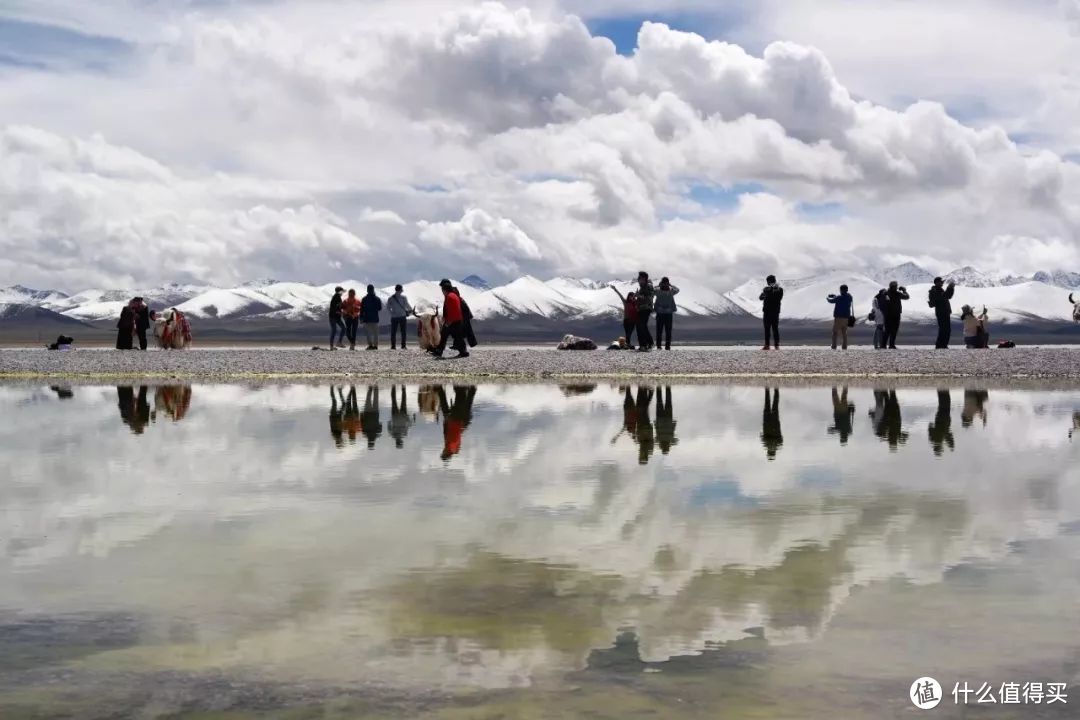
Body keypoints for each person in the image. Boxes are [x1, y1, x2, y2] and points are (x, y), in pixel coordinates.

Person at [437, 385, 477, 460]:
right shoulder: (451, 446)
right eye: (444, 452)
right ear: (446, 453)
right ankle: (440, 389)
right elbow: (454, 434)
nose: (443, 451)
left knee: (463, 400)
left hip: (459, 421)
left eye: (443, 452)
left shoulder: (452, 447)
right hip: (458, 420)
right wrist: (450, 420)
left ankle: (470, 388)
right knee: (461, 400)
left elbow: (450, 433)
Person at [435, 279, 468, 359]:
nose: (442, 292)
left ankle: (439, 351)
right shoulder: (453, 295)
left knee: (444, 335)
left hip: (453, 320)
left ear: (445, 290)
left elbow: (452, 310)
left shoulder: (450, 297)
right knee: (457, 337)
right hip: (456, 320)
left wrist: (449, 321)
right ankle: (463, 352)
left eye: (442, 290)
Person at [928, 277, 955, 349]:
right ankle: (940, 345)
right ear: (936, 282)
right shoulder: (935, 290)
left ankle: (943, 345)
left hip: (944, 312)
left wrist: (950, 288)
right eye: (941, 282)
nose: (942, 283)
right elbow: (945, 296)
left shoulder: (939, 290)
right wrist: (950, 288)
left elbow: (947, 296)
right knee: (944, 329)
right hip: (941, 312)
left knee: (945, 329)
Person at [653, 277, 680, 351]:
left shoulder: (658, 290)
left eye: (666, 283)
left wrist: (658, 286)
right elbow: (677, 290)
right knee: (666, 331)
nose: (665, 284)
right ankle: (666, 346)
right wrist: (671, 285)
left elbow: (652, 290)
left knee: (660, 330)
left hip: (662, 313)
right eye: (665, 283)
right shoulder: (671, 291)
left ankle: (660, 346)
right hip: (667, 313)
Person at [882, 281, 910, 349]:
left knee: (887, 330)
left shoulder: (886, 293)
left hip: (887, 315)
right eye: (896, 286)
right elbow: (907, 297)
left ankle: (883, 345)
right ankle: (891, 345)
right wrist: (904, 290)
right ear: (894, 286)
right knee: (894, 331)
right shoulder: (897, 293)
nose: (896, 287)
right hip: (895, 315)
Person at [826, 284, 854, 350]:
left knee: (835, 332)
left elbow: (831, 301)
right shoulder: (849, 297)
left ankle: (834, 346)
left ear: (841, 290)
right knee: (844, 333)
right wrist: (835, 296)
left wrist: (828, 298)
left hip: (838, 318)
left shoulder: (839, 298)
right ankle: (844, 347)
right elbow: (843, 298)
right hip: (846, 318)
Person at [759, 275, 783, 350]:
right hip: (767, 312)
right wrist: (770, 291)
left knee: (774, 328)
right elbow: (760, 297)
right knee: (767, 329)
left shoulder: (779, 290)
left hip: (774, 312)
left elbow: (778, 297)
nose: (769, 283)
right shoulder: (766, 289)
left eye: (769, 281)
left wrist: (774, 290)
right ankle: (767, 345)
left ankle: (776, 345)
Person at [928, 389, 954, 456]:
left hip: (944, 419)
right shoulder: (935, 439)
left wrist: (951, 444)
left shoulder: (937, 439)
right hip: (941, 419)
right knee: (943, 404)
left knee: (945, 404)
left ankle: (942, 389)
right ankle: (942, 389)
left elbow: (948, 434)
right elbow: (930, 427)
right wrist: (951, 444)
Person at [388, 285, 414, 350]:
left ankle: (393, 346)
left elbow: (388, 307)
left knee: (393, 332)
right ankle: (403, 346)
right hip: (402, 316)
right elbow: (407, 305)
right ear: (400, 290)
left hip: (394, 317)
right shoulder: (403, 297)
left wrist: (392, 313)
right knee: (403, 332)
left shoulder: (391, 298)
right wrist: (411, 310)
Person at [635, 271, 655, 352]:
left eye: (642, 279)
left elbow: (650, 297)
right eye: (639, 279)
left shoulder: (649, 286)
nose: (640, 280)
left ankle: (650, 343)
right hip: (640, 309)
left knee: (642, 325)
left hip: (646, 308)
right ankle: (642, 345)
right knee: (639, 326)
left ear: (645, 279)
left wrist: (639, 296)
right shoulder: (641, 288)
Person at [760, 387, 783, 460]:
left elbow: (781, 438)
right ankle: (767, 389)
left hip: (775, 422)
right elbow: (762, 437)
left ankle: (776, 389)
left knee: (775, 404)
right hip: (767, 422)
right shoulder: (766, 445)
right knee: (767, 403)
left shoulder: (778, 445)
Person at [655, 386, 678, 454]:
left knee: (668, 401)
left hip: (668, 418)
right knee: (659, 401)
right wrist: (655, 423)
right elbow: (657, 430)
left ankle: (668, 386)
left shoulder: (670, 439)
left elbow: (672, 430)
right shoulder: (659, 439)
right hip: (660, 418)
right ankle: (659, 386)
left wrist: (674, 423)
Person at [359, 285, 383, 350]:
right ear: (373, 290)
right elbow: (380, 308)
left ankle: (370, 345)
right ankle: (375, 346)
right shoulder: (377, 299)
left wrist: (361, 318)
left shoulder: (364, 299)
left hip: (367, 318)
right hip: (375, 318)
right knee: (375, 333)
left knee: (368, 333)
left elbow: (361, 309)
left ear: (367, 290)